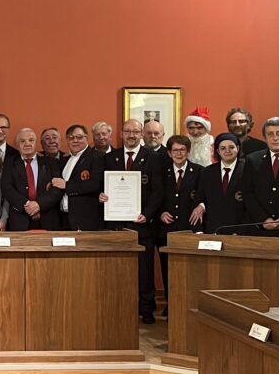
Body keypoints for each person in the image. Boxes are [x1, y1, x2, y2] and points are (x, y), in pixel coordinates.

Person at [103, 119, 164, 324]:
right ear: (121, 133)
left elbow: (158, 192)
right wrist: (101, 196)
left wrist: (146, 214)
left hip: (143, 224)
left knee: (144, 270)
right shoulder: (110, 157)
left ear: (141, 135)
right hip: (115, 224)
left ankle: (146, 308)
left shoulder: (153, 158)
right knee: (117, 269)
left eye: (135, 131)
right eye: (127, 131)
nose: (131, 135)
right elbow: (102, 185)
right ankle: (119, 307)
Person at [156, 135, 203, 304]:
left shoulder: (199, 171)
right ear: (169, 153)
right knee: (168, 270)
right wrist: (160, 213)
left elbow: (205, 195)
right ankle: (170, 305)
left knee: (189, 271)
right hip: (166, 230)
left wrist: (201, 206)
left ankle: (187, 305)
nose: (179, 153)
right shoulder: (162, 171)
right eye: (175, 150)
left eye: (182, 149)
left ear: (188, 151)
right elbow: (155, 197)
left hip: (188, 228)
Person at [1, 128, 63, 230]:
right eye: (22, 141)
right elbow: (6, 188)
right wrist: (27, 205)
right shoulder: (9, 163)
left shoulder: (52, 163)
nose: (27, 144)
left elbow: (57, 189)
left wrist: (39, 205)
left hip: (48, 218)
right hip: (20, 219)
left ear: (36, 143)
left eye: (31, 140)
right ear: (17, 145)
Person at [197, 133, 249, 235]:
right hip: (212, 232)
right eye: (223, 148)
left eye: (231, 147)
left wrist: (240, 232)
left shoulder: (248, 170)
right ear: (217, 151)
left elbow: (251, 205)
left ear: (237, 148)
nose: (227, 151)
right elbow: (200, 199)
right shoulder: (207, 173)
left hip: (239, 232)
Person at [55, 124, 104, 230]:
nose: (75, 140)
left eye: (79, 137)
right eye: (71, 138)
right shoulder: (64, 159)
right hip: (64, 217)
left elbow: (95, 184)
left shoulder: (97, 157)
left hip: (85, 219)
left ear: (87, 138)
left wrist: (67, 185)